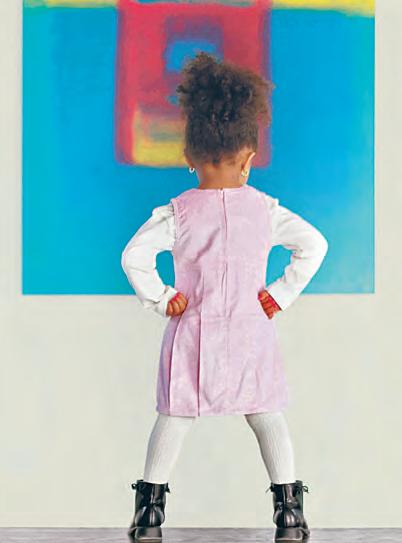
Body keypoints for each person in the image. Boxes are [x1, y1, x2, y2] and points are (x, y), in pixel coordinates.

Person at [121, 51, 328, 543]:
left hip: (194, 334)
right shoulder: (266, 210)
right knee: (267, 415)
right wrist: (279, 294)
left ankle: (149, 514)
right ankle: (289, 513)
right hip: (250, 333)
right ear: (249, 160)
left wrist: (163, 297)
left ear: (189, 158)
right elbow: (314, 245)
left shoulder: (177, 214)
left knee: (175, 416)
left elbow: (133, 256)